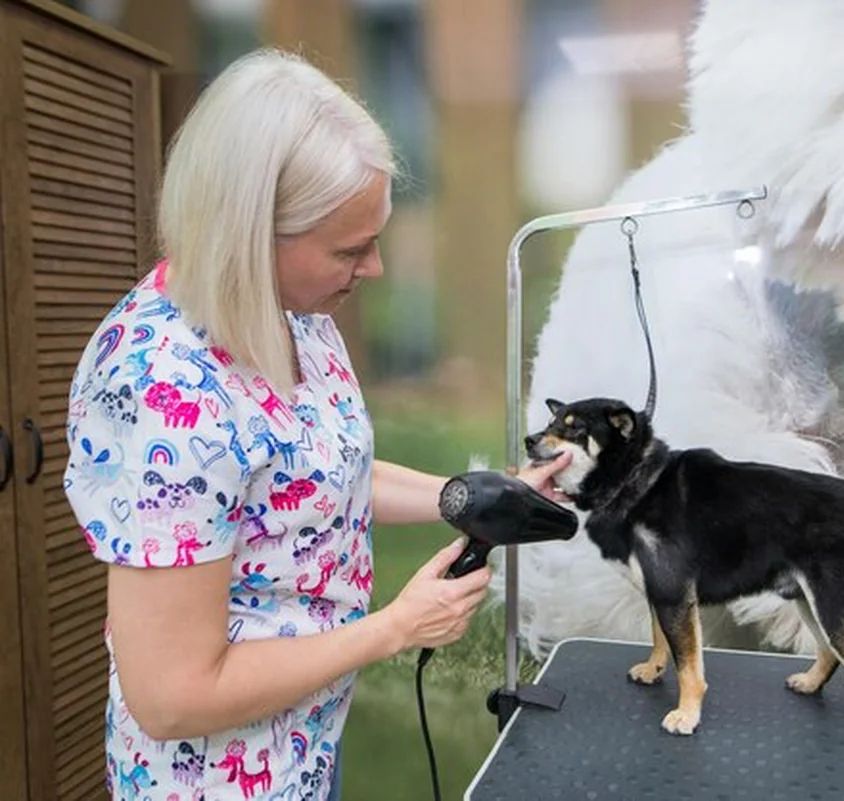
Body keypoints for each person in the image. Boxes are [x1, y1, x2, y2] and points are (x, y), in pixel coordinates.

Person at [62, 47, 571, 801]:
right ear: (250, 233)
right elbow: (169, 696)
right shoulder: (163, 390)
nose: (375, 270)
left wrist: (472, 495)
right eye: (349, 249)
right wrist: (394, 628)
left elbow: (322, 471)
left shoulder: (295, 315)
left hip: (304, 746)